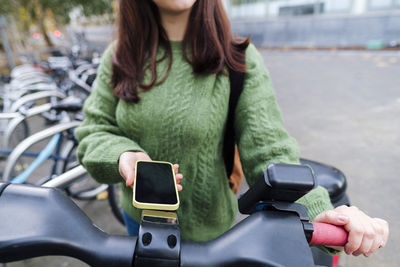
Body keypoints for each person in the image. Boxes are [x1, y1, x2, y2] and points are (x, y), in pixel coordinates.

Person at [75, 0, 388, 258]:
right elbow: (94, 131)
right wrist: (124, 156)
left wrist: (321, 213)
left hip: (213, 240)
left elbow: (270, 151)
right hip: (139, 225)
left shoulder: (238, 59)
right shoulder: (119, 56)